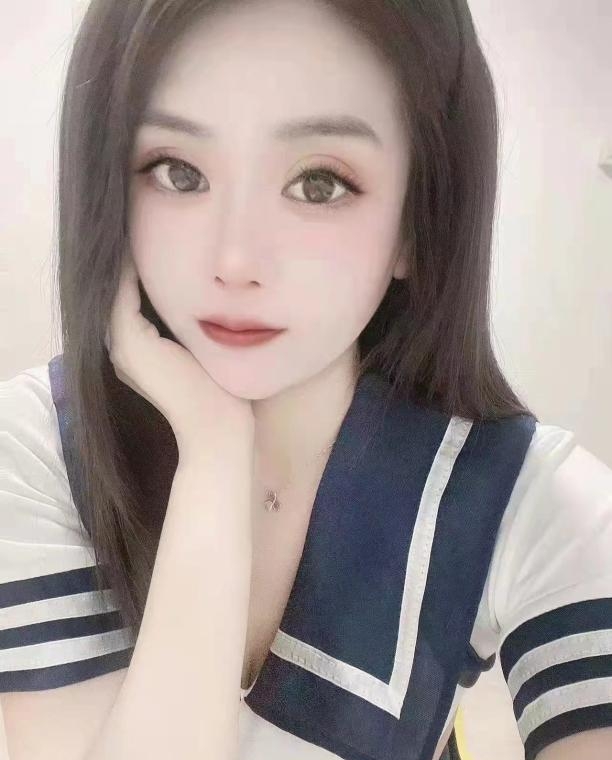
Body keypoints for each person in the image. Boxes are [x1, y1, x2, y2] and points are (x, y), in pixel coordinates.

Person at [1, 1, 611, 759]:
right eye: (179, 172)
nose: (235, 260)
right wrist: (213, 455)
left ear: (417, 222)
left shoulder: (528, 501)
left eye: (319, 184)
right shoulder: (38, 448)